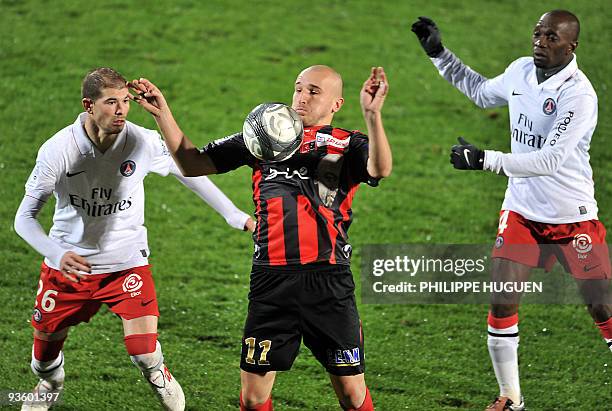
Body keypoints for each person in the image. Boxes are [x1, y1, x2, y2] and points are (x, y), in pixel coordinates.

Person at [129, 64, 391, 410]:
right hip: (271, 281)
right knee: (253, 398)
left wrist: (372, 115)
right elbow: (193, 164)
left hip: (328, 282)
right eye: (298, 88)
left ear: (336, 104)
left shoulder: (347, 144)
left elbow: (380, 168)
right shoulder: (265, 135)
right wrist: (163, 113)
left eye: (314, 91)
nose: (301, 97)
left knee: (351, 392)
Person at [14, 67, 255, 411]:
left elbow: (188, 170)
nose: (121, 110)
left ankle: (158, 374)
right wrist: (57, 252)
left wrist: (235, 215)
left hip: (126, 263)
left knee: (143, 353)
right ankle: (51, 382)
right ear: (88, 105)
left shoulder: (141, 141)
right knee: (42, 359)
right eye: (111, 102)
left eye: (125, 101)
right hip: (69, 269)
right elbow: (23, 218)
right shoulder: (58, 151)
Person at [412, 10, 611, 411]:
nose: (540, 42)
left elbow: (551, 158)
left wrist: (484, 159)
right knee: (503, 300)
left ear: (571, 46)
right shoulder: (521, 71)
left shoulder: (579, 95)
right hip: (521, 209)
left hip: (571, 216)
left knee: (603, 307)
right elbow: (482, 92)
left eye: (551, 37)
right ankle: (511, 398)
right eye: (537, 34)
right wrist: (439, 54)